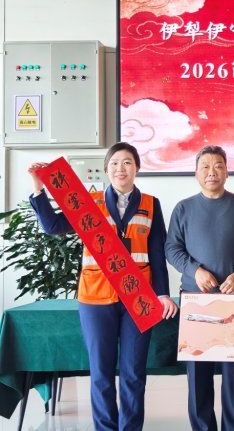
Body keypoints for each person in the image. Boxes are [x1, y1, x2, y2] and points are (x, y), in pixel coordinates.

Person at [27, 142, 177, 431]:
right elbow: (52, 226)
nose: (121, 168)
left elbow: (157, 253)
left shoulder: (151, 204)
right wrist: (38, 188)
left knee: (134, 372)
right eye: (115, 163)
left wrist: (162, 294)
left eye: (127, 162)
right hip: (95, 298)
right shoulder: (89, 202)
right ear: (106, 169)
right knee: (101, 372)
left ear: (137, 168)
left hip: (138, 297)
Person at [165, 145, 234, 431]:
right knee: (198, 372)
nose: (212, 172)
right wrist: (195, 270)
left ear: (227, 172)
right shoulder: (183, 208)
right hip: (197, 300)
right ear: (196, 173)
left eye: (218, 165)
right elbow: (172, 248)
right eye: (205, 166)